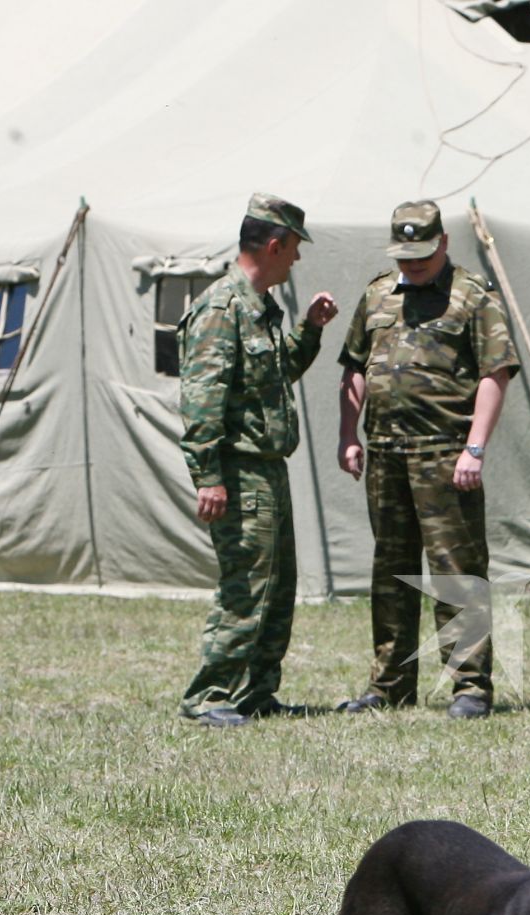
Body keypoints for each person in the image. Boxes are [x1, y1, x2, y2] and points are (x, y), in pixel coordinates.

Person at [335, 200, 520, 719]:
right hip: (386, 455)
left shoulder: (472, 297)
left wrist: (475, 448)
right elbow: (353, 367)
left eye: (421, 253)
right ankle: (389, 684)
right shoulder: (376, 295)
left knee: (455, 572)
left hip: (446, 455)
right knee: (390, 573)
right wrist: (350, 437)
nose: (412, 264)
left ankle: (469, 686)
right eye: (403, 255)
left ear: (443, 243)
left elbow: (496, 372)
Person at [178, 193, 337, 728]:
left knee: (277, 586)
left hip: (269, 468)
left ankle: (256, 693)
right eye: (293, 249)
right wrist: (209, 477)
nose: (295, 260)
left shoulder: (262, 308)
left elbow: (274, 376)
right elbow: (202, 399)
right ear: (274, 244)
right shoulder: (222, 309)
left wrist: (309, 329)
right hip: (239, 469)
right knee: (246, 585)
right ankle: (209, 695)